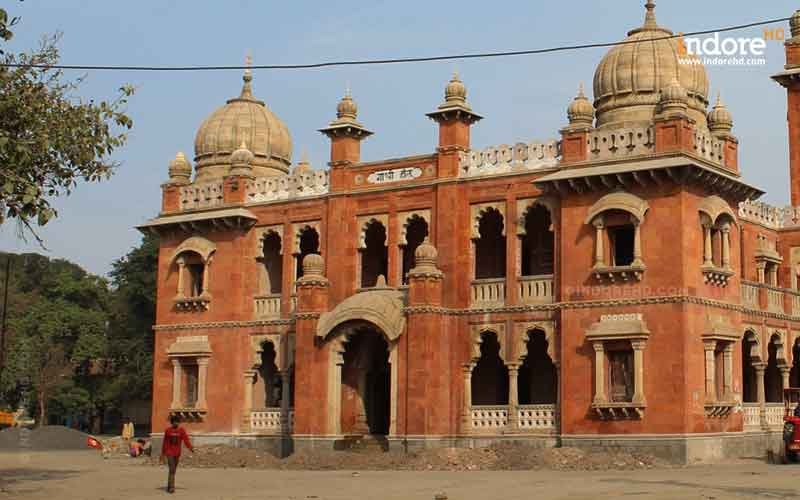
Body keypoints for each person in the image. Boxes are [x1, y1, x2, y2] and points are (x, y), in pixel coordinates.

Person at [160, 415, 194, 494]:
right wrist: (162, 454)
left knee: (173, 470)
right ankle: (172, 487)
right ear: (172, 422)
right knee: (172, 469)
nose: (176, 423)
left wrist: (190, 448)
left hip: (177, 453)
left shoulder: (181, 430)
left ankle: (169, 485)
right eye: (175, 421)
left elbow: (186, 440)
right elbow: (165, 443)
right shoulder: (168, 430)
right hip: (169, 453)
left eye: (177, 421)